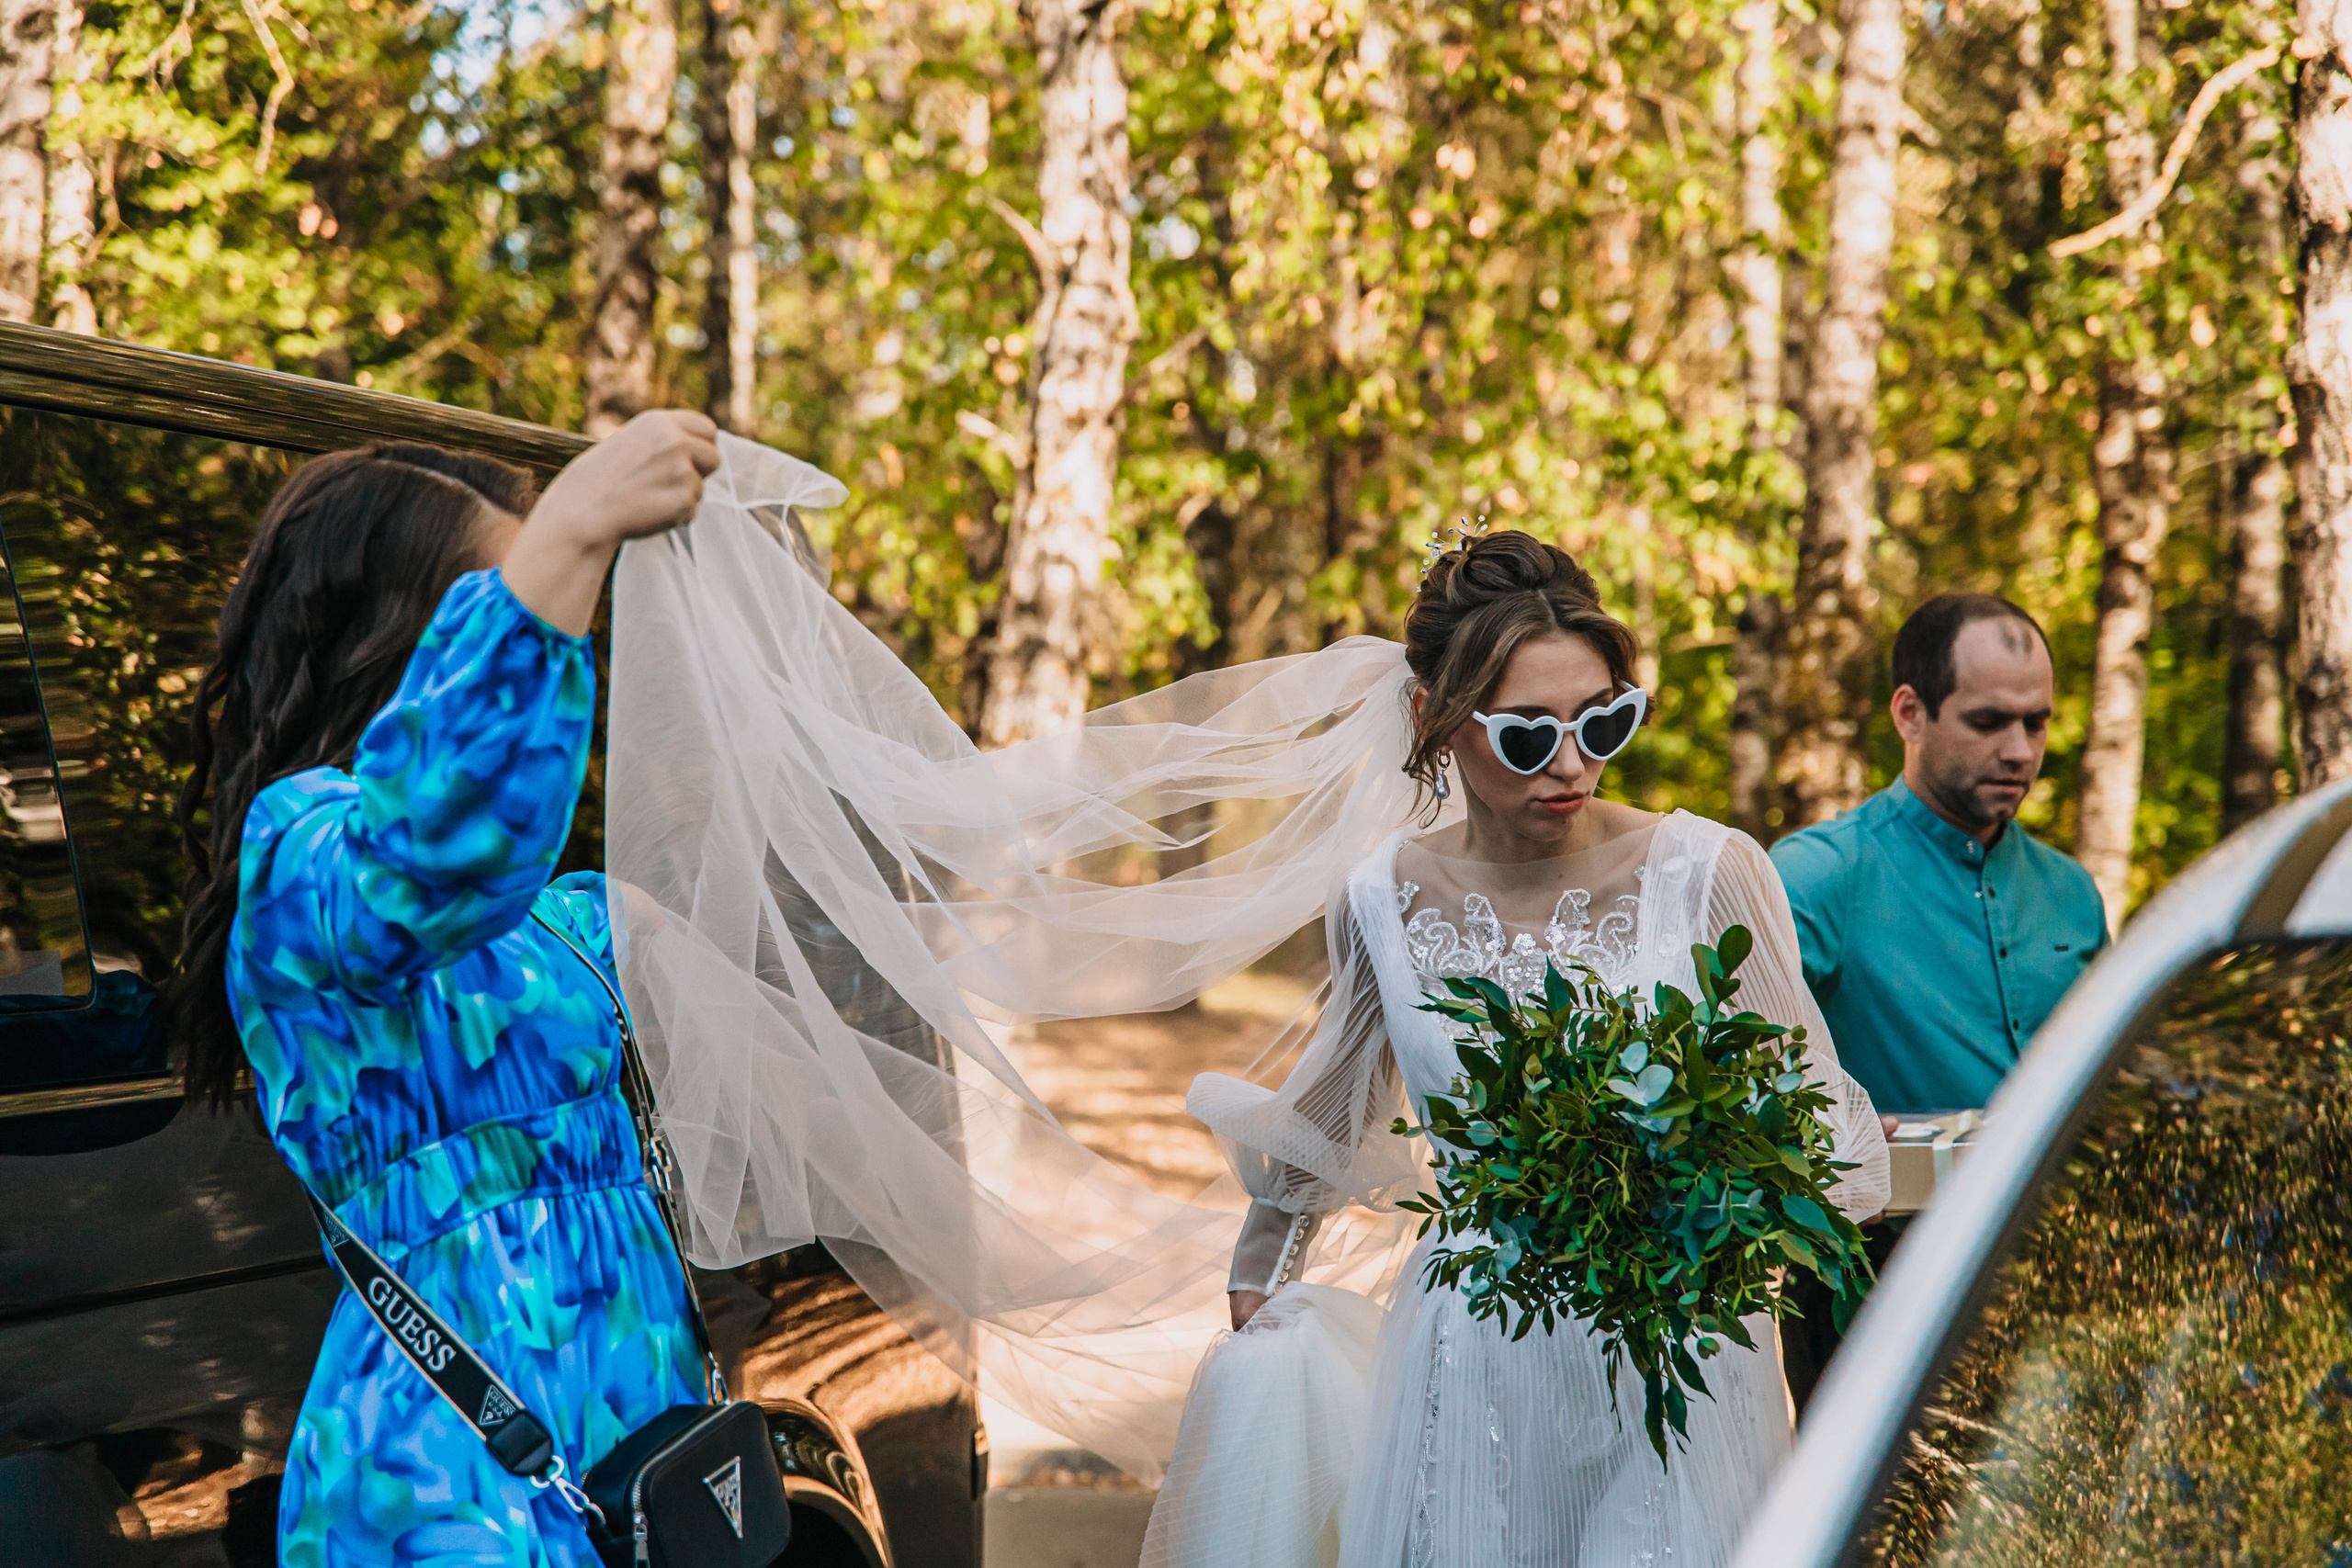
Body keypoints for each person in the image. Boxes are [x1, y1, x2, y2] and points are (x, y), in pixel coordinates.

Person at [582, 475, 1891, 1561]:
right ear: (1437, 721)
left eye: (1603, 720)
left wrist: (1697, 1192)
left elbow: (1827, 1132)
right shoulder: (1385, 893)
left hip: (1679, 1348)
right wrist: (1262, 1269)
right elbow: (1336, 1096)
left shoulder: (1711, 872)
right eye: (1527, 732)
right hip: (1478, 1342)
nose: (1574, 763)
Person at [171, 412, 721, 1563]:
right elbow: (434, 853)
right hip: (442, 1493)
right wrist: (571, 525)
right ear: (408, 640)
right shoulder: (302, 871)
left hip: (628, 1455)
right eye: (505, 587)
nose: (543, 610)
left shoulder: (561, 921)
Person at [1768, 592, 2107, 1408]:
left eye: (2038, 722)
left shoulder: (2072, 893)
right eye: (1989, 721)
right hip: (1874, 1302)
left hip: (2054, 1291)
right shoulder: (1816, 876)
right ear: (1910, 712)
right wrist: (1822, 1124)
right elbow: (1724, 1062)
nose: (2020, 749)